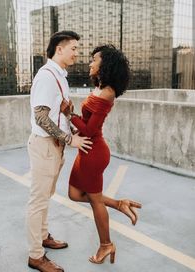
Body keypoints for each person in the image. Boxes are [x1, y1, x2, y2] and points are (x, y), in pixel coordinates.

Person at [65, 45, 142, 264]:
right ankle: (118, 204)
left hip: (94, 152)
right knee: (74, 194)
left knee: (95, 201)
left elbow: (90, 130)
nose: (90, 63)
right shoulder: (100, 88)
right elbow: (87, 125)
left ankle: (106, 245)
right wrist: (74, 121)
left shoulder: (107, 93)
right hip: (87, 148)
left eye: (94, 60)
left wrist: (70, 115)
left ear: (104, 65)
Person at [27, 31, 92, 272]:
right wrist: (68, 138)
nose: (77, 52)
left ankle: (43, 236)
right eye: (73, 48)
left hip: (55, 148)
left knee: (45, 197)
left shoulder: (59, 76)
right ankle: (35, 255)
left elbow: (57, 111)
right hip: (45, 146)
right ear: (60, 49)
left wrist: (68, 116)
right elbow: (41, 117)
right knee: (38, 201)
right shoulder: (46, 76)